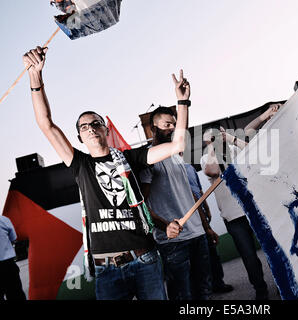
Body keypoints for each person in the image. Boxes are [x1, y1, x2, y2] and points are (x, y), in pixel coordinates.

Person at [23, 46, 188, 299]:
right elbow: (46, 123)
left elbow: (177, 145)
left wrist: (183, 102)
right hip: (106, 269)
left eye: (96, 123)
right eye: (84, 126)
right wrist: (36, 77)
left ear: (105, 130)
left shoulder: (132, 158)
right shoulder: (80, 164)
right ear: (79, 136)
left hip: (145, 260)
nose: (90, 128)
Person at [139, 107, 213, 300]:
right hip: (173, 242)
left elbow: (189, 193)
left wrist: (206, 227)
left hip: (198, 234)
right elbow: (142, 204)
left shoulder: (178, 157)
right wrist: (164, 226)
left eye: (174, 124)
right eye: (167, 125)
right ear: (153, 129)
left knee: (204, 291)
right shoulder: (148, 159)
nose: (172, 128)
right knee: (182, 296)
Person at [201, 127, 269, 300]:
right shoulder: (205, 158)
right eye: (210, 139)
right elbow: (212, 171)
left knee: (271, 249)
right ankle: (261, 290)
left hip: (255, 208)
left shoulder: (234, 148)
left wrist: (230, 138)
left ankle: (284, 283)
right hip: (233, 216)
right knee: (249, 256)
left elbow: (253, 152)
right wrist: (211, 147)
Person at [184, 163, 234, 294]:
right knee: (197, 258)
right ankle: (204, 289)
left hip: (202, 214)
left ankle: (218, 283)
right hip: (189, 218)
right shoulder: (174, 170)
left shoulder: (189, 168)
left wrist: (206, 208)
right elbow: (190, 195)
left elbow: (199, 191)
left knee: (212, 252)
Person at [0, 216, 26, 300]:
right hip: (7, 265)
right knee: (16, 294)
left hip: (7, 265)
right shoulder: (3, 220)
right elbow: (13, 238)